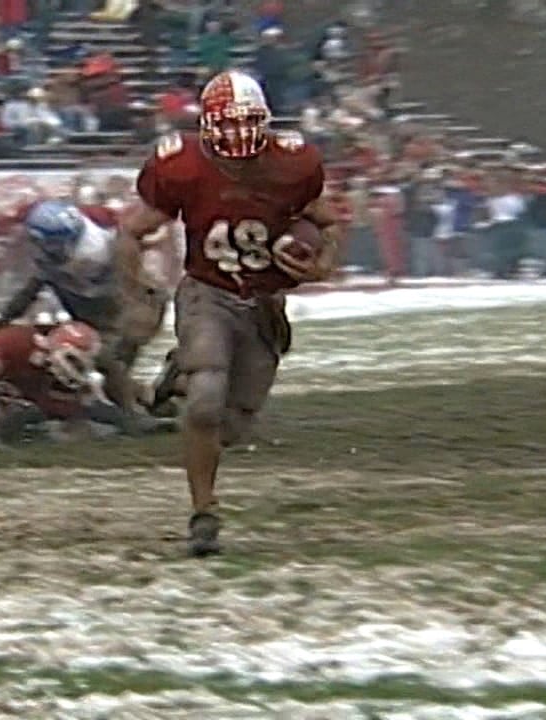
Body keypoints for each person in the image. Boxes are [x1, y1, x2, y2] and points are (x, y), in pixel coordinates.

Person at [118, 70, 347, 556]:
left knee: (235, 427)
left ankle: (180, 371)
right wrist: (138, 292)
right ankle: (204, 513)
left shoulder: (293, 163)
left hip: (264, 303)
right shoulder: (182, 165)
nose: (239, 154)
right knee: (204, 401)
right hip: (209, 290)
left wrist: (319, 265)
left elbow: (328, 223)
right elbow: (131, 231)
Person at [0, 200, 168, 431]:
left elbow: (132, 280)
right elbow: (31, 289)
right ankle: (143, 402)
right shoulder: (59, 251)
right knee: (102, 362)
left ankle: (132, 413)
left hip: (127, 306)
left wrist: (136, 307)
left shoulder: (97, 249)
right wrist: (2, 322)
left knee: (108, 359)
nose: (55, 248)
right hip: (96, 311)